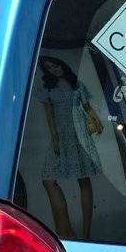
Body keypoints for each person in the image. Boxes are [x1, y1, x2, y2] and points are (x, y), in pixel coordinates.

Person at [38, 55, 104, 239]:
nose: (53, 69)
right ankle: (64, 229)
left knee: (83, 180)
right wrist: (55, 138)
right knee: (48, 179)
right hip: (61, 135)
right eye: (49, 68)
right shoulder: (47, 88)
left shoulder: (77, 84)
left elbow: (87, 108)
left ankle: (86, 233)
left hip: (80, 133)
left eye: (55, 64)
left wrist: (97, 123)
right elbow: (49, 116)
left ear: (62, 63)